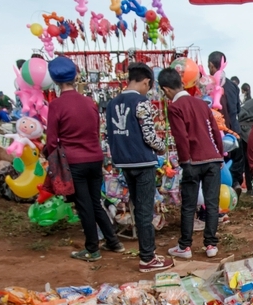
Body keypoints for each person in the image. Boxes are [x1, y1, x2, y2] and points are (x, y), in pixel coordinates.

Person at [43, 56, 124, 261]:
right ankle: (113, 242)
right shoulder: (89, 103)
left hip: (73, 161)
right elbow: (95, 132)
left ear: (54, 79)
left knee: (84, 206)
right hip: (95, 158)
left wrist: (50, 157)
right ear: (76, 75)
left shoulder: (57, 105)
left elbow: (52, 141)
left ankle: (92, 249)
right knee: (95, 202)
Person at [106, 62, 172, 273]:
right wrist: (162, 149)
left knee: (137, 206)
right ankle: (148, 258)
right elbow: (150, 136)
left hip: (123, 161)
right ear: (145, 82)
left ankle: (147, 253)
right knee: (145, 209)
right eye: (148, 86)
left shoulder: (112, 103)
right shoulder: (142, 102)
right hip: (143, 161)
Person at [159, 67, 224, 260]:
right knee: (212, 203)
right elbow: (214, 130)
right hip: (213, 158)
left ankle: (185, 246)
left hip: (193, 160)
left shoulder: (175, 108)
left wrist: (185, 162)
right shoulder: (202, 104)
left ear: (166, 89)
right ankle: (211, 244)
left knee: (189, 204)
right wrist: (219, 154)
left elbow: (181, 137)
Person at [207, 52, 241, 135]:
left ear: (211, 65)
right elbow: (238, 109)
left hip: (219, 133)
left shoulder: (208, 86)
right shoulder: (233, 86)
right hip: (234, 132)